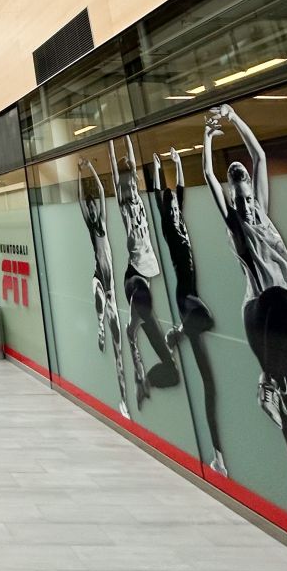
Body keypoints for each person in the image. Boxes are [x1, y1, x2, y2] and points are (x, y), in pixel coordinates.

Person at [203, 104, 287, 525]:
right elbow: (210, 177)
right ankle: (268, 381)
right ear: (233, 203)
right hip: (257, 310)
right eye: (240, 200)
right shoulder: (236, 224)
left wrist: (234, 118)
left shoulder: (262, 212)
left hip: (279, 307)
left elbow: (260, 156)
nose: (247, 204)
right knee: (280, 301)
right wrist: (208, 139)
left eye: (248, 197)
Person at [152, 148, 227, 476]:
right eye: (170, 205)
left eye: (174, 205)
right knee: (207, 319)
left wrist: (178, 163)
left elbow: (179, 191)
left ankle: (217, 455)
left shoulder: (179, 219)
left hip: (191, 295)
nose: (173, 207)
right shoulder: (169, 228)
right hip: (186, 298)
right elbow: (161, 197)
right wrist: (158, 169)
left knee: (209, 382)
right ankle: (179, 331)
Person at [109, 136, 181, 408]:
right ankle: (155, 357)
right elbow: (117, 172)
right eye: (125, 186)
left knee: (144, 324)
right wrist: (113, 142)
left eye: (132, 184)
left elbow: (132, 164)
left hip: (147, 276)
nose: (129, 189)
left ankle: (146, 375)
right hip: (134, 277)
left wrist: (128, 137)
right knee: (148, 318)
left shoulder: (138, 199)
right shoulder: (125, 206)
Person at [78, 160, 129, 419]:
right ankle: (99, 326)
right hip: (99, 277)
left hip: (111, 288)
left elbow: (100, 191)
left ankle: (123, 398)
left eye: (93, 207)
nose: (92, 209)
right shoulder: (91, 228)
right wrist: (79, 174)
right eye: (89, 208)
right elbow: (81, 200)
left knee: (118, 346)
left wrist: (92, 171)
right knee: (96, 288)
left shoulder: (103, 224)